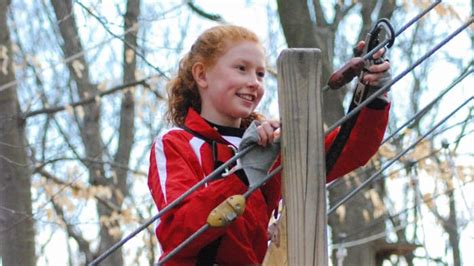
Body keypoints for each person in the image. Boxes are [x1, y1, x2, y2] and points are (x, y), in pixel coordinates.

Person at [148, 25, 391, 265]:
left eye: (260, 74)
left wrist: (373, 96)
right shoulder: (175, 144)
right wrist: (244, 175)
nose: (254, 82)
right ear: (201, 75)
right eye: (241, 69)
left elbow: (345, 151)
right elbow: (176, 233)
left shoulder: (268, 147)